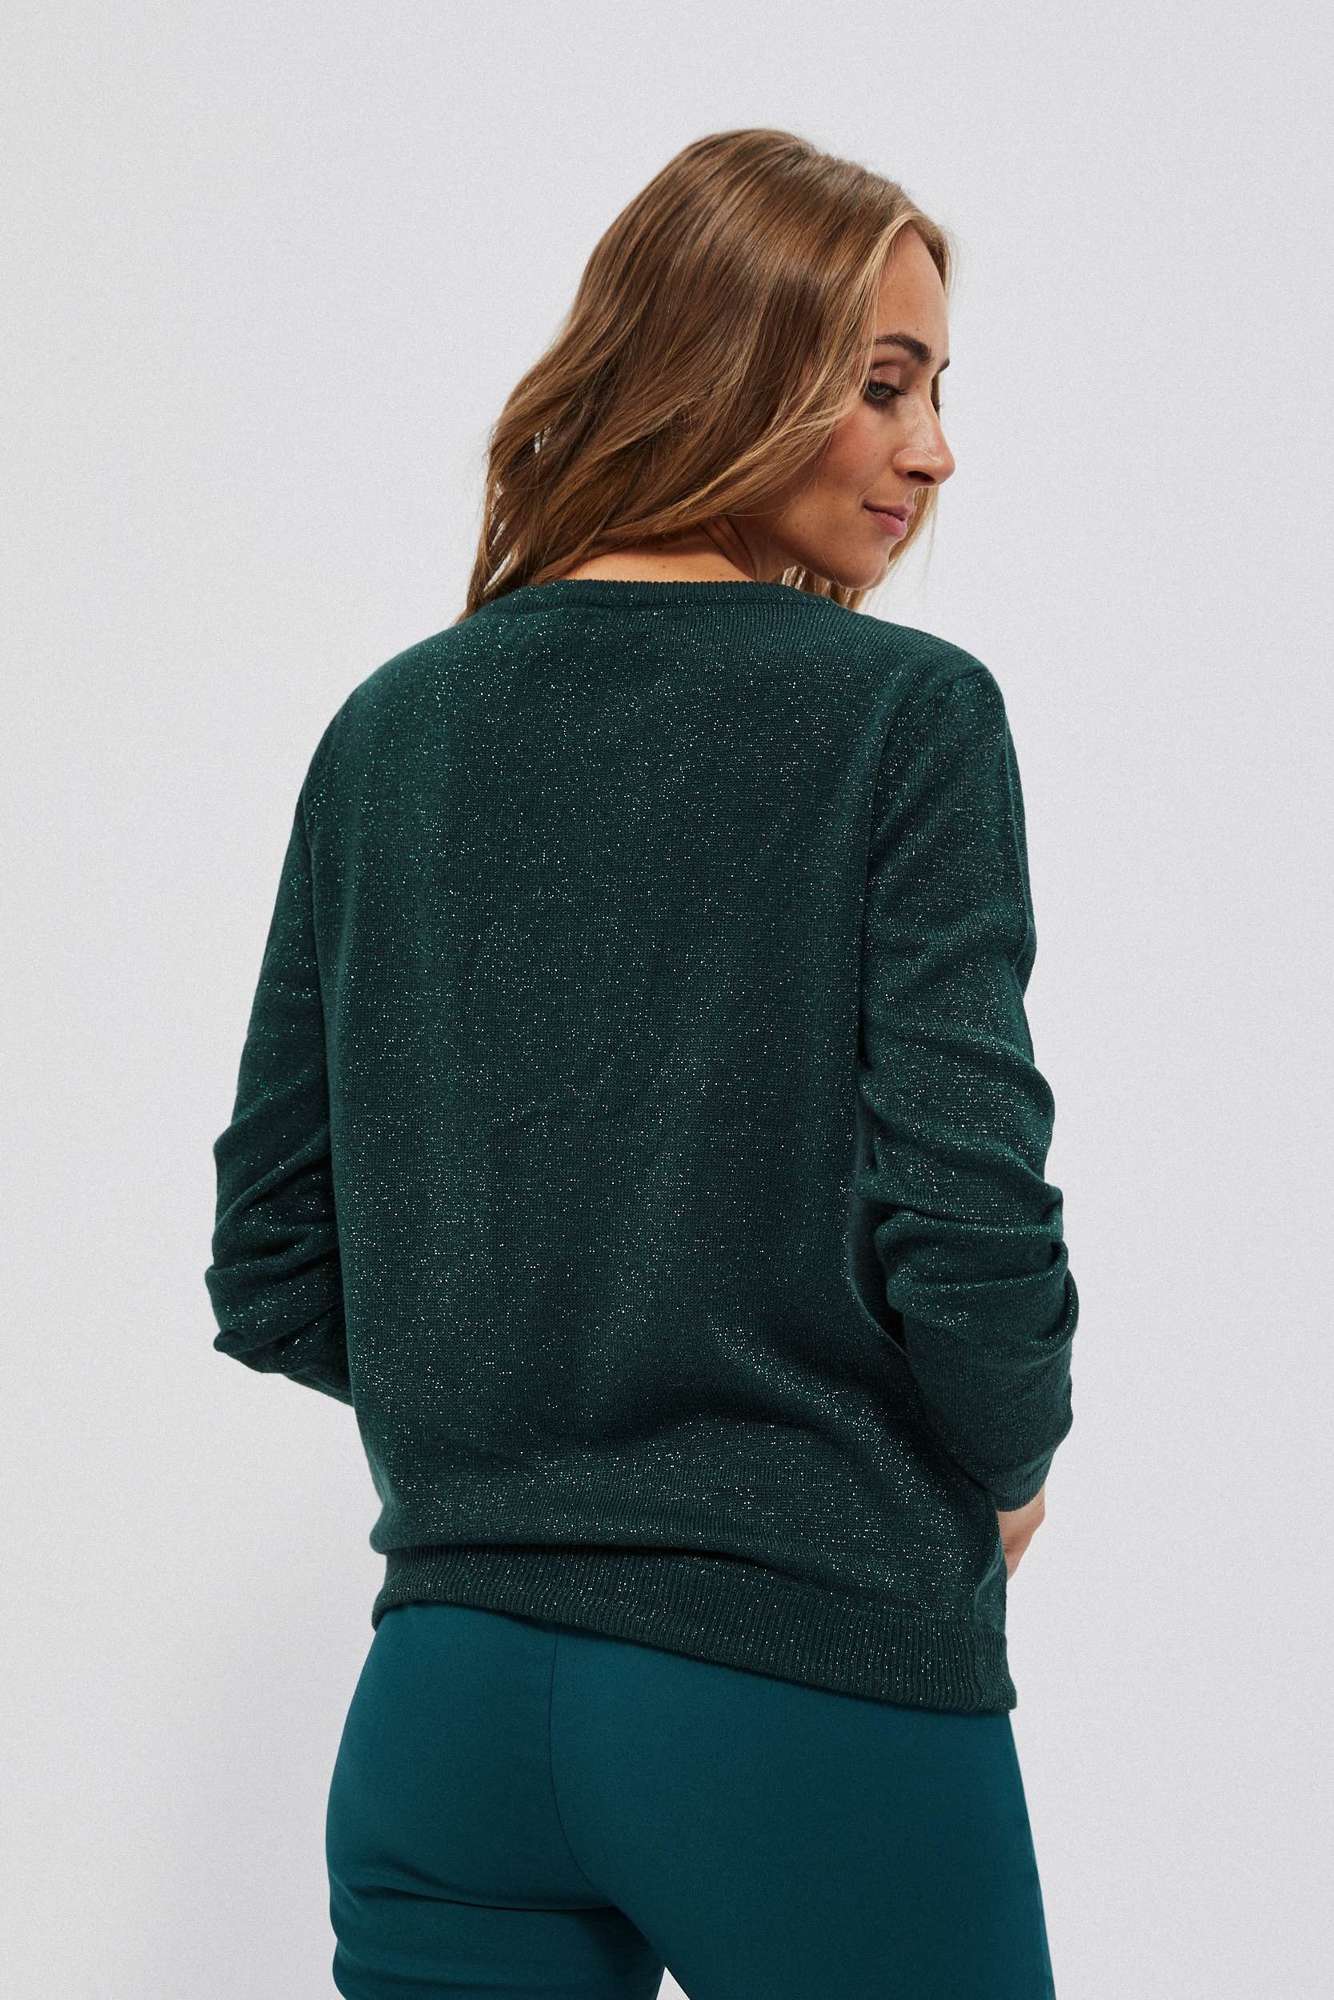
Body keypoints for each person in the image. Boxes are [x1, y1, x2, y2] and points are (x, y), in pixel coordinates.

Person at [205, 126, 1076, 1998]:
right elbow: (965, 1204)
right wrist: (1001, 1458)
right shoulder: (904, 714)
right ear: (727, 366)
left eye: (937, 390)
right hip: (803, 1687)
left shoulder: (390, 728)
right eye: (883, 385)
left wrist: (522, 1387)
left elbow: (270, 1256)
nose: (933, 450)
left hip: (445, 1712)